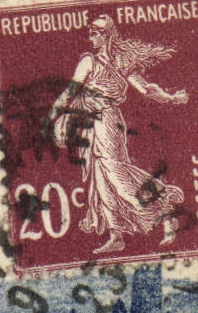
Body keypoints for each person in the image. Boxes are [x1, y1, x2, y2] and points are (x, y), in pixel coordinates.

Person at [48, 15, 189, 254]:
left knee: (116, 174)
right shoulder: (89, 61)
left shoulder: (108, 63)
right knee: (102, 180)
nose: (90, 38)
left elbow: (146, 88)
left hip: (107, 121)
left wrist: (171, 98)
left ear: (107, 36)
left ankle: (165, 211)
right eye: (90, 33)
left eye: (95, 34)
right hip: (92, 124)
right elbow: (70, 94)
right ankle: (116, 235)